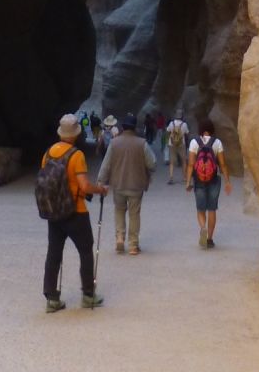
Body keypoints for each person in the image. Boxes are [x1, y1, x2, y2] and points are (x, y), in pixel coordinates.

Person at [41, 114, 108, 312]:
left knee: (54, 253)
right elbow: (84, 186)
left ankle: (51, 299)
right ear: (76, 134)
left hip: (54, 211)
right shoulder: (76, 155)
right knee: (86, 251)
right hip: (75, 211)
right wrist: (100, 189)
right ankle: (88, 295)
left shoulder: (48, 153)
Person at [98, 112, 157, 256]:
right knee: (134, 214)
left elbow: (106, 165)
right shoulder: (142, 143)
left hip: (118, 184)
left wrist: (101, 181)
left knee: (119, 210)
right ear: (135, 127)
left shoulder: (114, 143)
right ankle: (133, 245)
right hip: (136, 185)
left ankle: (119, 237)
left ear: (123, 127)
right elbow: (152, 163)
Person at [185, 118, 232, 248]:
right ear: (212, 129)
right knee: (212, 208)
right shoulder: (217, 142)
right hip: (214, 179)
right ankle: (210, 239)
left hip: (199, 179)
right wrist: (227, 181)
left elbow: (191, 164)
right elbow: (223, 164)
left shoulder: (194, 142)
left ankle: (203, 228)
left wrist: (188, 181)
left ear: (200, 129)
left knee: (200, 208)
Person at [164, 113, 189, 184]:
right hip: (181, 144)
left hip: (172, 144)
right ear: (182, 117)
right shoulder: (184, 124)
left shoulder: (171, 123)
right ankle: (184, 177)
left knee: (172, 162)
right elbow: (187, 133)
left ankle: (171, 177)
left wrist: (169, 139)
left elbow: (167, 131)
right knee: (184, 161)